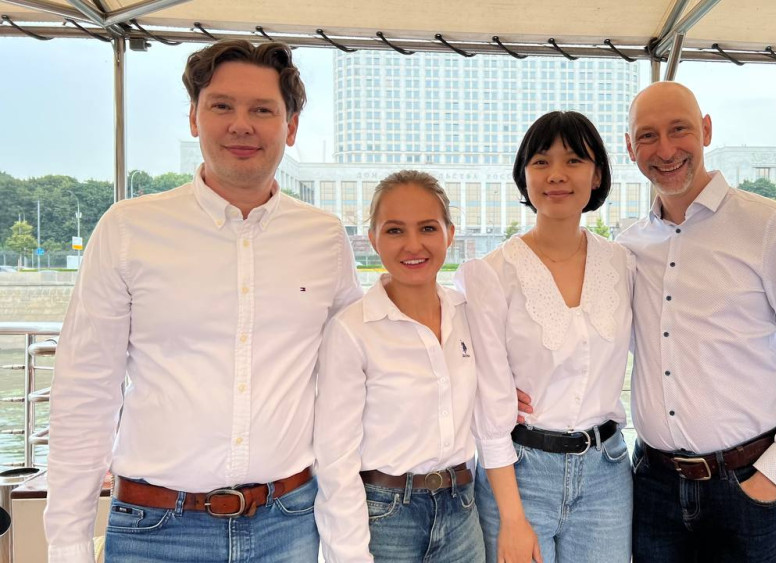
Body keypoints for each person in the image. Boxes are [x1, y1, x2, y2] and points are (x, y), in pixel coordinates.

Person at [44, 40, 362, 562]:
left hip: (289, 524)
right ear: (194, 117)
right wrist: (68, 545)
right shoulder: (129, 230)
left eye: (262, 110)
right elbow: (85, 390)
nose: (241, 125)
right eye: (222, 106)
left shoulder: (325, 238)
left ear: (291, 126)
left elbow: (351, 376)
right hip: (156, 530)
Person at [617, 81, 776, 561]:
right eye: (647, 136)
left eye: (679, 129)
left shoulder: (771, 226)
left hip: (750, 484)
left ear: (706, 131)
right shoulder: (628, 247)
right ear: (629, 147)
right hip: (653, 485)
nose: (665, 149)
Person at [457, 111, 634, 563]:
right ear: (524, 174)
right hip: (521, 472)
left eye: (574, 160)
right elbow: (490, 404)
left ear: (597, 175)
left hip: (607, 472)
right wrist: (512, 517)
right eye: (541, 162)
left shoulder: (623, 263)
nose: (556, 174)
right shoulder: (490, 274)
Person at [314, 170, 485, 563]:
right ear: (373, 238)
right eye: (394, 230)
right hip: (386, 517)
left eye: (428, 228)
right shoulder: (352, 329)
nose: (413, 244)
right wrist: (350, 554)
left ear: (449, 234)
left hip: (462, 509)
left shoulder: (468, 313)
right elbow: (336, 457)